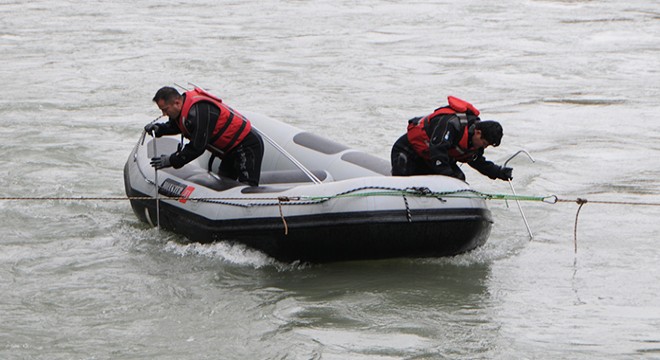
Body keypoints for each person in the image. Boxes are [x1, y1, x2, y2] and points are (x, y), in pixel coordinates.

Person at [145, 86, 264, 186]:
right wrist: (159, 129)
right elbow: (177, 126)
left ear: (177, 102)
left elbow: (197, 147)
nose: (164, 114)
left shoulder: (199, 112)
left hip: (245, 145)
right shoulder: (183, 111)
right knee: (224, 184)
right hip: (229, 152)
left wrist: (171, 160)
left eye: (165, 110)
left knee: (248, 187)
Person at [391, 96, 512, 182]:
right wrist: (449, 177)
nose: (483, 147)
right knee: (404, 176)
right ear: (478, 132)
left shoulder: (475, 142)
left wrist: (499, 172)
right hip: (408, 151)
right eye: (484, 144)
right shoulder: (451, 124)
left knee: (459, 179)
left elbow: (478, 162)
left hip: (430, 159)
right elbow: (438, 152)